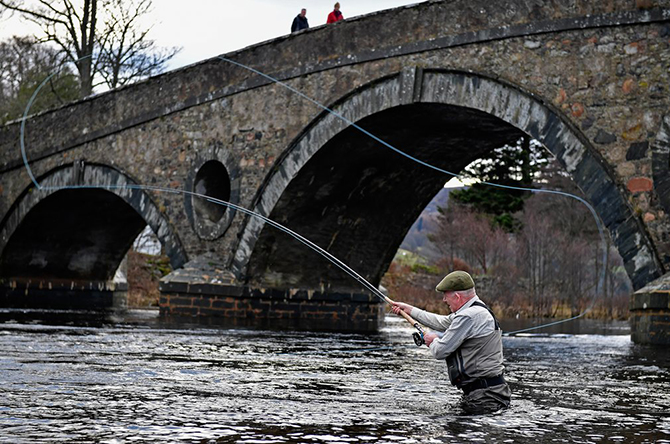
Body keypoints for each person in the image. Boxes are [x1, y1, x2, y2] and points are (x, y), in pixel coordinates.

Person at [392, 270, 511, 414]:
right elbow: (441, 322)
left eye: (445, 295)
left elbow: (440, 351)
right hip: (487, 393)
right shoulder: (476, 309)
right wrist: (410, 310)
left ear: (457, 296)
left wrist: (433, 340)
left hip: (485, 396)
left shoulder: (469, 316)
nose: (443, 300)